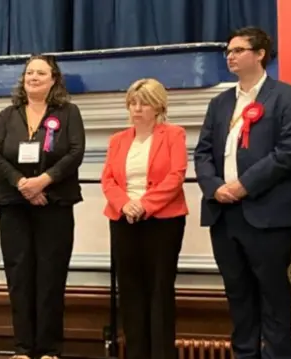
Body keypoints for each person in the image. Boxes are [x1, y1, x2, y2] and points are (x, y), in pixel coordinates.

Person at [193, 26, 291, 359]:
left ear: (260, 54)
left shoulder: (287, 97)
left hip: (266, 213)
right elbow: (203, 152)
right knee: (237, 296)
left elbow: (289, 150)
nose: (230, 56)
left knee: (273, 297)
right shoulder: (220, 102)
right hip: (224, 214)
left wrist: (244, 185)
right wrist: (215, 187)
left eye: (238, 50)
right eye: (228, 51)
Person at [0, 54, 85, 359]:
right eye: (29, 72)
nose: (33, 77)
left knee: (50, 276)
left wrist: (43, 181)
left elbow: (75, 152)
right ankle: (22, 347)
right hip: (13, 204)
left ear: (53, 79)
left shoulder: (68, 113)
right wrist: (23, 185)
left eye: (40, 73)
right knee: (19, 276)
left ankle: (48, 348)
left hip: (54, 204)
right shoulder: (8, 115)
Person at [101, 78, 187, 359]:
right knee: (130, 290)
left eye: (144, 103)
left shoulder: (174, 134)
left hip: (163, 222)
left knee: (159, 289)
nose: (137, 109)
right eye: (133, 103)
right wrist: (126, 204)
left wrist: (144, 205)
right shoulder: (117, 139)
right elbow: (108, 179)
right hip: (123, 220)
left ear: (158, 106)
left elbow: (176, 176)